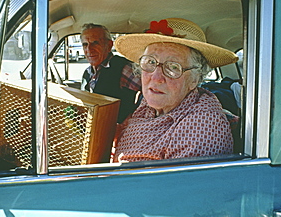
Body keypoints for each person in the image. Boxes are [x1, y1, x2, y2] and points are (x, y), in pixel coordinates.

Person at [112, 18, 239, 162]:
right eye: (150, 62)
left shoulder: (201, 127)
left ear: (194, 79)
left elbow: (172, 184)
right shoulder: (150, 104)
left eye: (173, 67)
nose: (156, 77)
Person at [80, 23, 141, 123]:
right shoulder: (87, 73)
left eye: (95, 43)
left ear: (109, 45)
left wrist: (132, 119)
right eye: (85, 44)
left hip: (117, 133)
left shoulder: (124, 68)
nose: (89, 49)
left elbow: (150, 95)